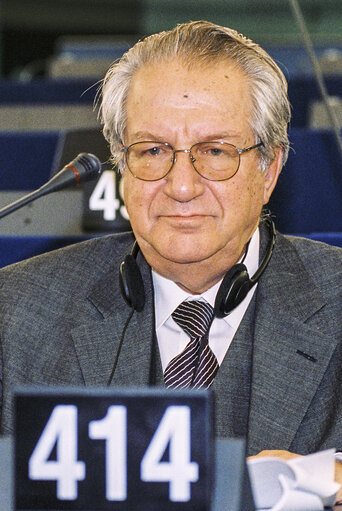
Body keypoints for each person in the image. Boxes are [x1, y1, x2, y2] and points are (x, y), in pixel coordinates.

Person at [1, 20, 342, 477]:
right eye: (153, 151)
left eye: (216, 151)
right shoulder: (18, 314)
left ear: (269, 170)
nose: (181, 186)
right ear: (122, 165)